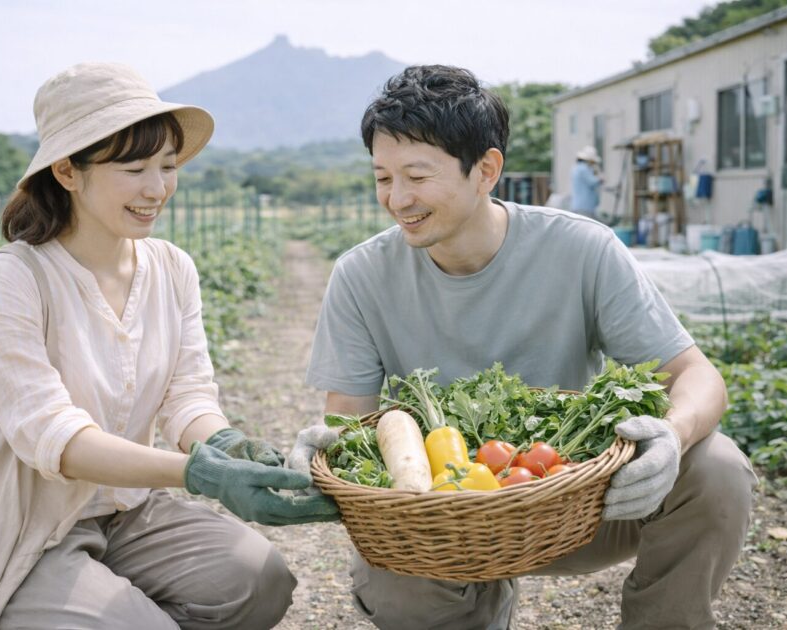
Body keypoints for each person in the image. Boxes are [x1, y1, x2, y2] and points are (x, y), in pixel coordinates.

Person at [288, 65, 756, 630]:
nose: (397, 198)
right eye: (383, 177)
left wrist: (671, 437)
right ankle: (477, 607)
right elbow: (350, 418)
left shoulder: (582, 249)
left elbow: (695, 375)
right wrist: (331, 448)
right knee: (395, 583)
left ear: (486, 170)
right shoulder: (362, 275)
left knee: (718, 469)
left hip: (576, 500)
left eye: (416, 175)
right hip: (443, 517)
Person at [0, 62, 337, 630]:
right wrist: (201, 475)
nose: (157, 188)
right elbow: (53, 436)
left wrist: (224, 443)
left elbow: (187, 394)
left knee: (258, 581)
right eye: (134, 168)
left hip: (127, 511)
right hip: (24, 525)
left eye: (168, 166)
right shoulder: (10, 279)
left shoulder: (172, 268)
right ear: (68, 172)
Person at [570, 145, 603, 217]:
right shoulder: (584, 169)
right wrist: (600, 179)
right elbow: (592, 182)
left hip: (578, 205)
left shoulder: (576, 168)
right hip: (585, 207)